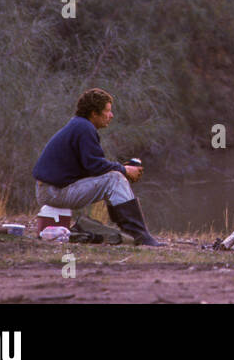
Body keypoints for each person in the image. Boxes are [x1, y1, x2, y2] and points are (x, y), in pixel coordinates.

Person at [32, 88, 163, 246]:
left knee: (114, 177)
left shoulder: (79, 125)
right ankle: (139, 236)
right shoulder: (84, 128)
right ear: (94, 113)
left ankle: (131, 233)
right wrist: (124, 170)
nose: (111, 115)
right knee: (114, 179)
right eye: (107, 111)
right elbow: (95, 165)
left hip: (50, 190)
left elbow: (91, 166)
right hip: (54, 192)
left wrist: (120, 168)